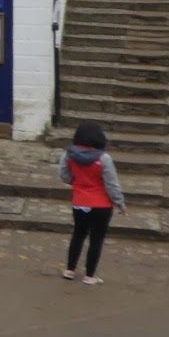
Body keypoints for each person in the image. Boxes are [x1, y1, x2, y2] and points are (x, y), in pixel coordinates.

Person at [59, 121, 126, 285]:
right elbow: (112, 184)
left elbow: (64, 175)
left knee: (78, 234)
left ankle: (70, 269)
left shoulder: (69, 155)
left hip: (79, 202)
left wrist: (77, 182)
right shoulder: (104, 158)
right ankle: (90, 275)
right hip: (101, 205)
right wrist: (120, 203)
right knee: (96, 239)